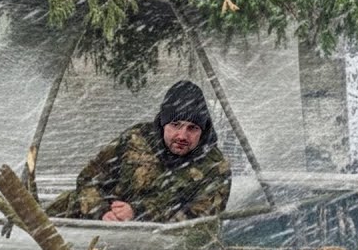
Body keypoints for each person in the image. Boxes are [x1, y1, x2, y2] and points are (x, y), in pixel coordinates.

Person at [44, 80, 231, 222]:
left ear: (203, 131)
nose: (182, 135)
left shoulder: (216, 167)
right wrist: (102, 212)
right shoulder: (134, 139)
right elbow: (87, 180)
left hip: (156, 242)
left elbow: (199, 220)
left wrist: (137, 212)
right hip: (99, 226)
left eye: (192, 129)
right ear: (163, 124)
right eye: (175, 125)